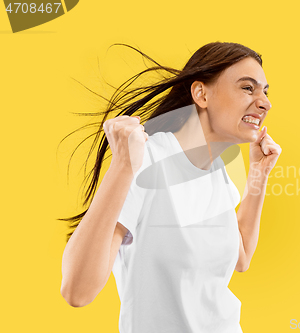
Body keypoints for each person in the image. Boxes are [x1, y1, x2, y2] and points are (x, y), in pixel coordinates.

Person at [58, 42, 282, 333]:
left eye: (265, 91)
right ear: (201, 94)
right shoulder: (146, 160)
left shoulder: (217, 171)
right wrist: (122, 166)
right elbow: (77, 291)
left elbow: (240, 257)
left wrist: (259, 174)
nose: (264, 102)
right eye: (248, 88)